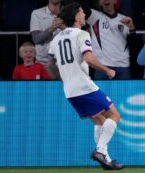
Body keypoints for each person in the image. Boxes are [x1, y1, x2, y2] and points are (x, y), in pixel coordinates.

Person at [48, 2, 124, 170]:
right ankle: (100, 151)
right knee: (115, 115)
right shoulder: (81, 34)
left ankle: (107, 160)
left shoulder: (57, 39)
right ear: (76, 16)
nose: (84, 15)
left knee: (100, 121)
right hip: (84, 86)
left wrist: (64, 78)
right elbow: (89, 59)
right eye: (82, 12)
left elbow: (51, 64)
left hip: (70, 90)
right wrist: (107, 70)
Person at [77, 0, 137, 79]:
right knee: (101, 92)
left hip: (123, 66)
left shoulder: (124, 19)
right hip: (102, 67)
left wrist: (132, 28)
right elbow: (80, 4)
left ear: (115, 1)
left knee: (123, 91)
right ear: (99, 3)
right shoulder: (94, 17)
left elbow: (133, 45)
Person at [30, 0, 64, 79]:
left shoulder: (68, 13)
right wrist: (52, 27)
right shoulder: (37, 13)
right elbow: (37, 39)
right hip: (43, 64)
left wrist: (64, 27)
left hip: (65, 64)